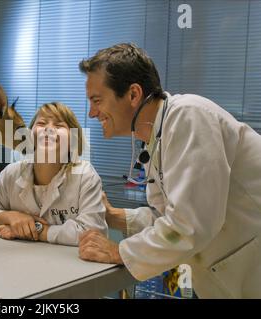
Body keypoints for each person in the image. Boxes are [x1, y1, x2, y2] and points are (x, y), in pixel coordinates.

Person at [77, 43, 261, 298]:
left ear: (133, 94)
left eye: (97, 100)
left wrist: (118, 251)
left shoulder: (189, 116)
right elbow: (169, 218)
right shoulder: (157, 138)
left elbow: (188, 226)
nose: (92, 112)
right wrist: (114, 216)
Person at [0, 102, 107, 246]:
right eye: (42, 123)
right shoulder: (12, 173)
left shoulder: (85, 175)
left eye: (59, 125)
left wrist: (36, 229)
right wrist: (11, 217)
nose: (49, 129)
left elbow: (93, 234)